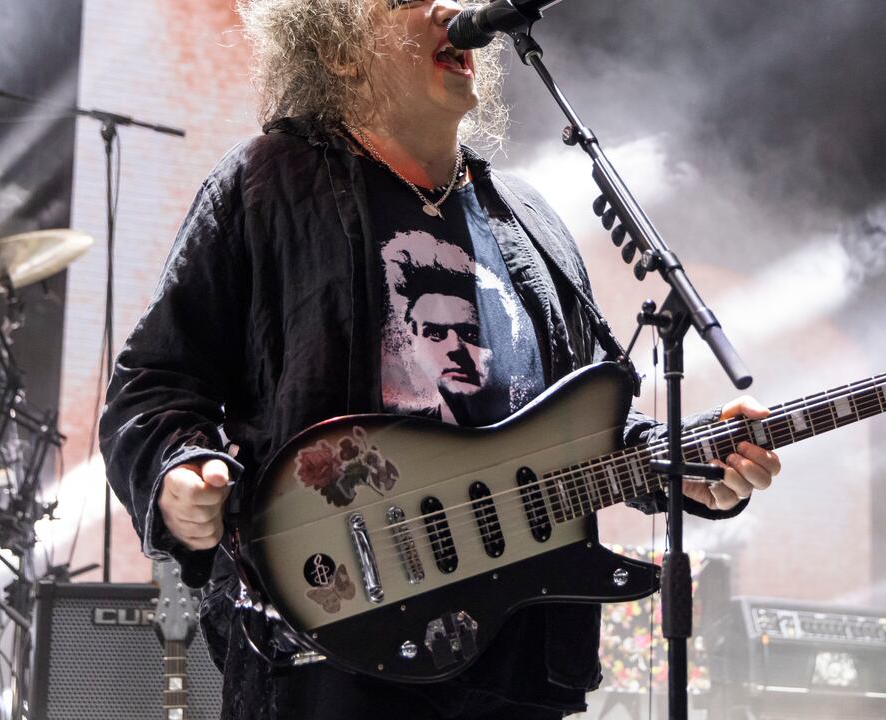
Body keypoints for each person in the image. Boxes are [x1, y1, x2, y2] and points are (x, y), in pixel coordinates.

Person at [98, 1, 781, 718]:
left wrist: (683, 464)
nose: (450, 9)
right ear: (338, 50)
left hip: (518, 662)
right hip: (337, 646)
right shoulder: (267, 183)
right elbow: (152, 385)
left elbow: (587, 425)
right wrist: (176, 468)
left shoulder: (526, 219)